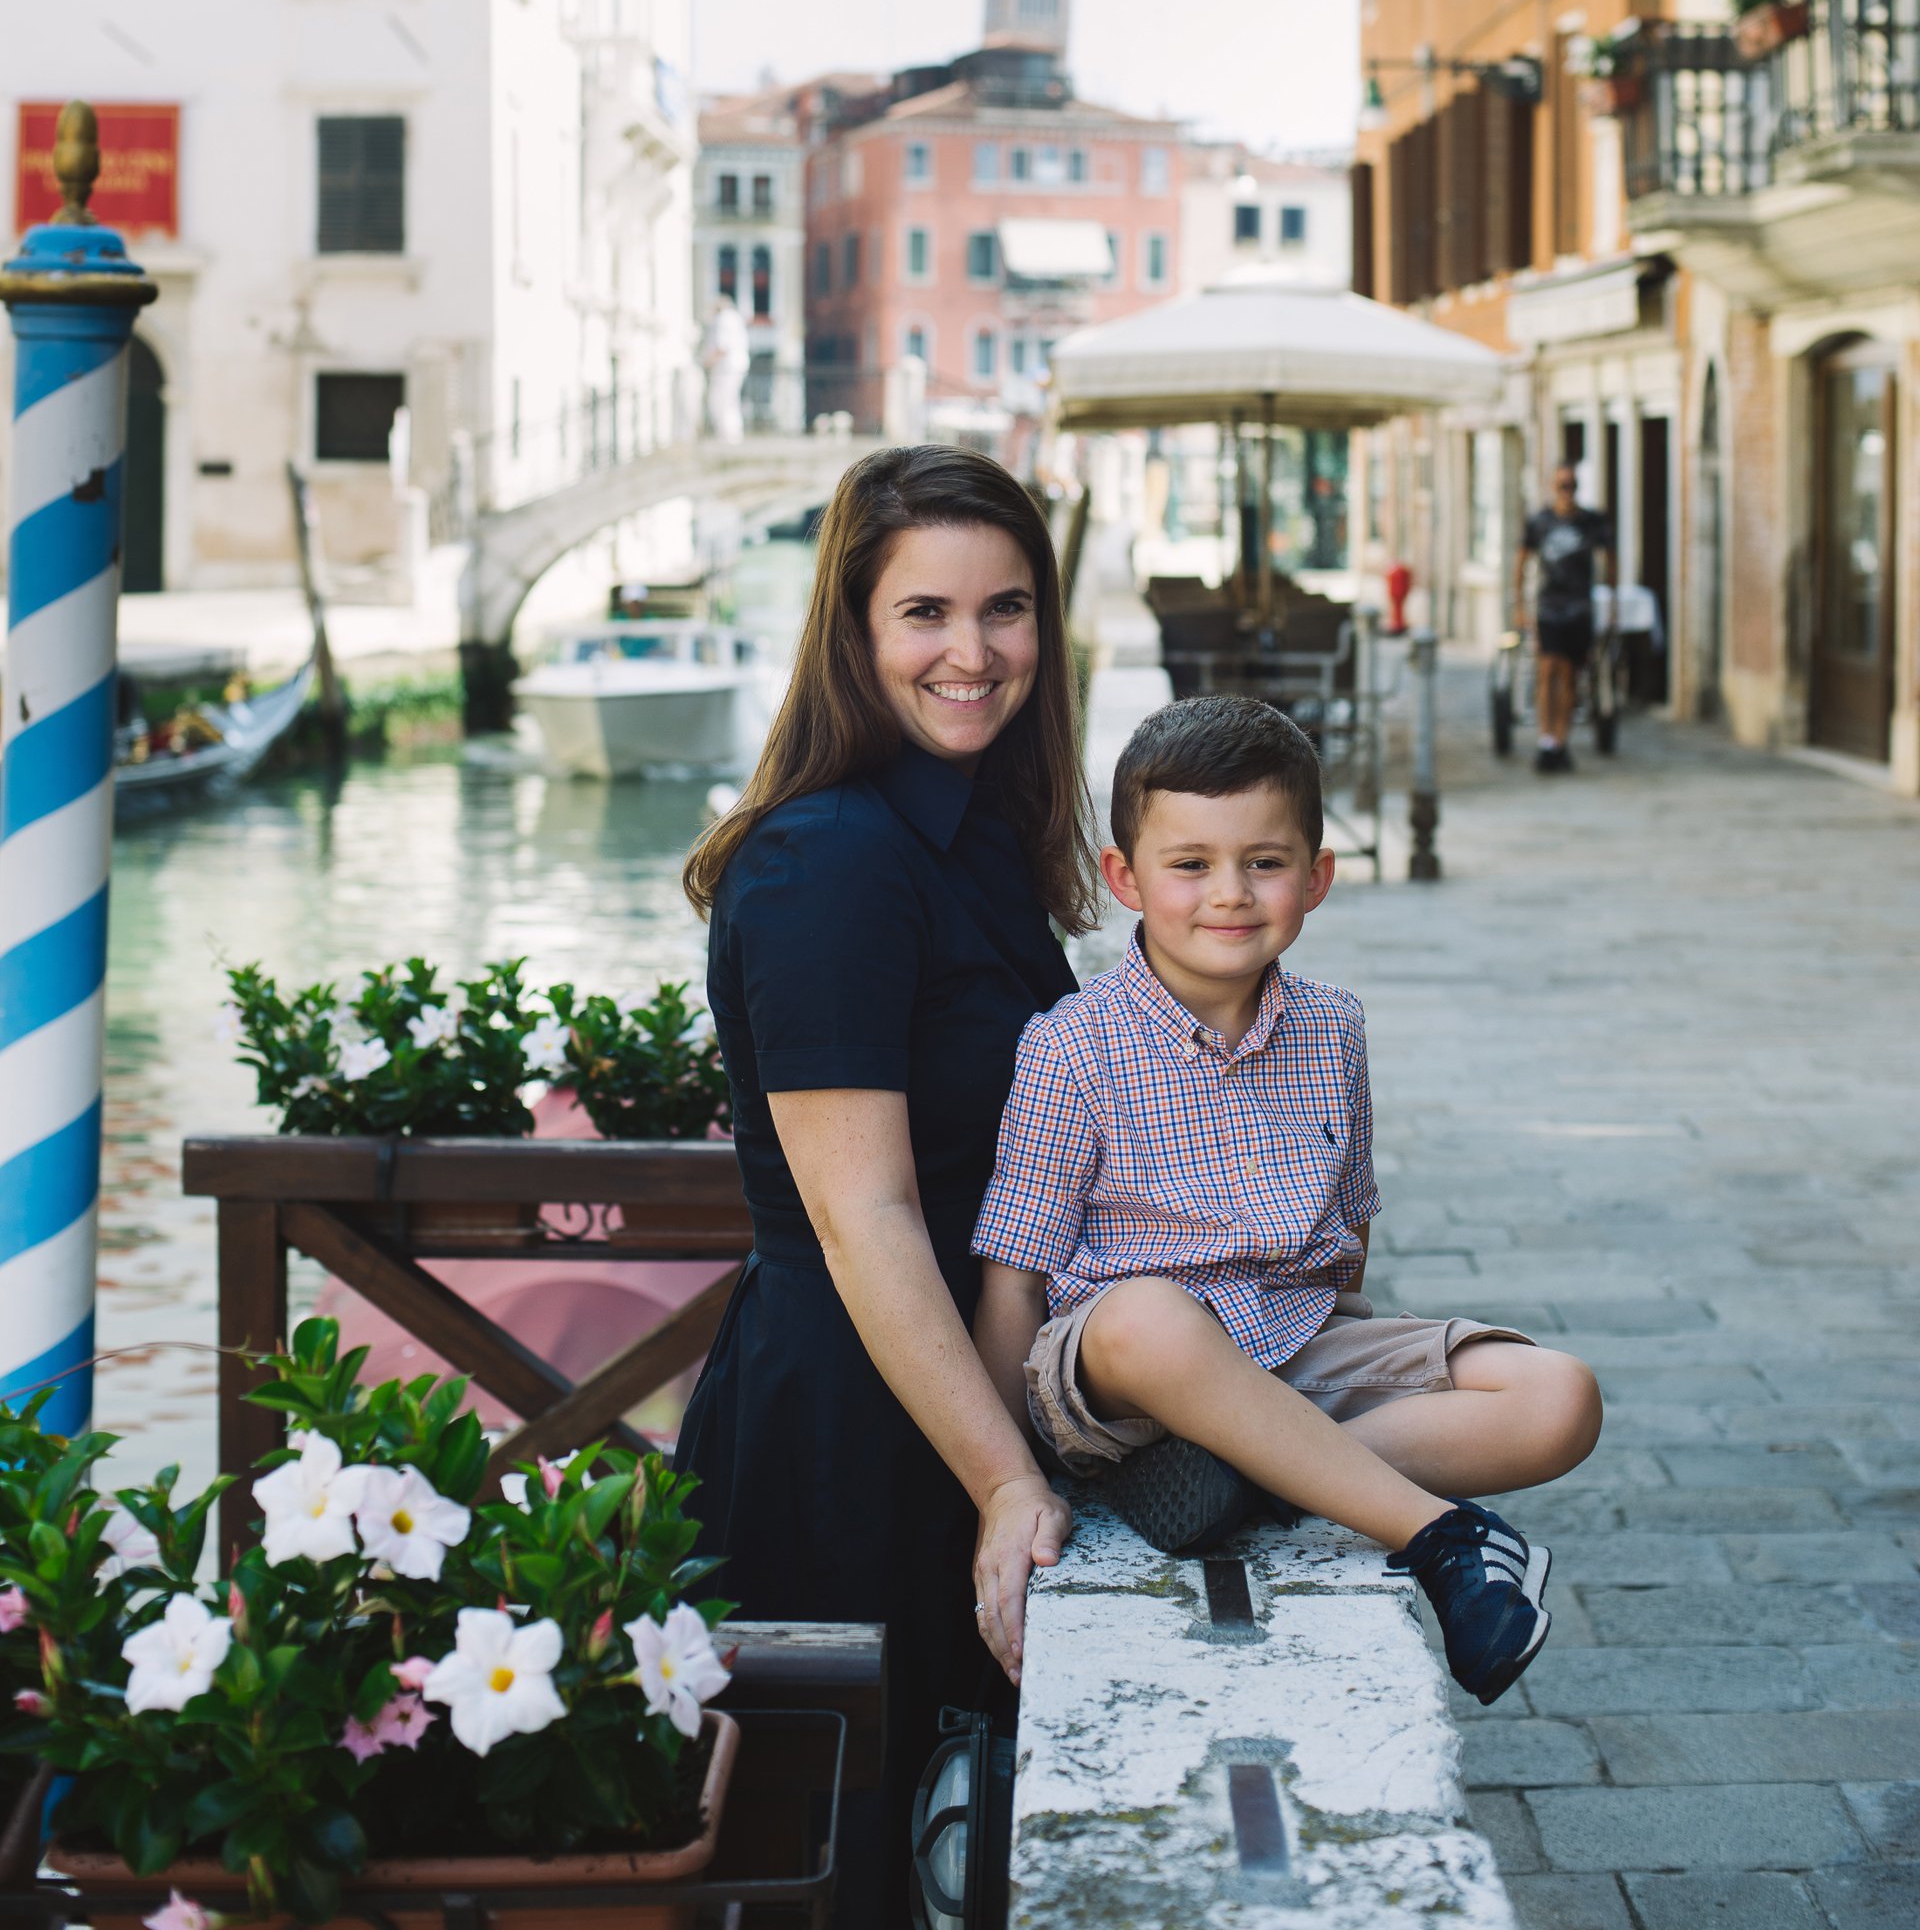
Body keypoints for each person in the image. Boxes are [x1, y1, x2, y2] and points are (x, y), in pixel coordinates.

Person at [971, 695, 1602, 1708]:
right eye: (1191, 865)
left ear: (1316, 877)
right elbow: (1013, 1270)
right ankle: (1439, 1537)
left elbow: (1346, 1242)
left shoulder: (1335, 1031)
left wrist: (1384, 1362)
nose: (1230, 893)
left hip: (1293, 1345)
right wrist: (1007, 1478)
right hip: (1117, 1380)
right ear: (1125, 877)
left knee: (1558, 1397)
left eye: (1264, 862)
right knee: (1149, 1318)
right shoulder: (1070, 1047)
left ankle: (1252, 1472)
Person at [675, 444, 1099, 1915]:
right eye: (925, 613)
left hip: (960, 1381)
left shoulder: (976, 833)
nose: (974, 653)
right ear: (853, 632)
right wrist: (1001, 1480)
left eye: (1008, 610)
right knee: (848, 1869)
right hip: (852, 1422)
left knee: (947, 1846)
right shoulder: (828, 864)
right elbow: (866, 1216)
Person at [1514, 461, 1615, 773]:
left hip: (1580, 606)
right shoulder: (1539, 522)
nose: (1566, 492)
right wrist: (1518, 604)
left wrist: (1612, 600)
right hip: (1549, 605)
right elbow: (1521, 561)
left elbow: (1610, 558)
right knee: (1547, 669)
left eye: (1571, 485)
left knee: (1570, 674)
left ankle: (1561, 740)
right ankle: (1545, 740)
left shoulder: (1591, 522)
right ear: (1552, 487)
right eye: (1561, 486)